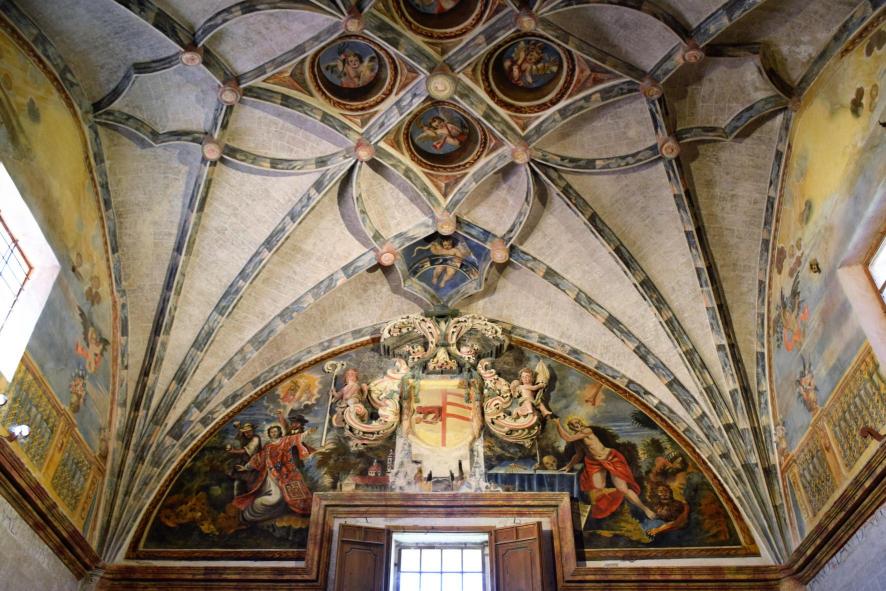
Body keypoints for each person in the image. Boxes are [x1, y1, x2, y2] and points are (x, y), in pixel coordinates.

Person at [555, 416, 656, 520]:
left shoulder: (587, 430)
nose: (576, 425)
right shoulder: (578, 440)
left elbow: (568, 438)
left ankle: (645, 509)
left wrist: (557, 423)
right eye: (573, 424)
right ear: (570, 427)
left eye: (577, 422)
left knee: (623, 489)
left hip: (611, 458)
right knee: (597, 490)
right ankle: (607, 510)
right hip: (595, 462)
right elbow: (579, 455)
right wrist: (569, 466)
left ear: (581, 423)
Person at [232, 417, 315, 522]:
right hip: (272, 474)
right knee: (275, 498)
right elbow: (259, 458)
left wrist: (307, 432)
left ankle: (305, 511)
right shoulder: (268, 446)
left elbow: (297, 437)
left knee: (298, 492)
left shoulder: (285, 440)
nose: (273, 433)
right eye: (271, 432)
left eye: (275, 431)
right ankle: (250, 513)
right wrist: (246, 467)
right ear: (269, 434)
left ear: (279, 432)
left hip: (288, 472)